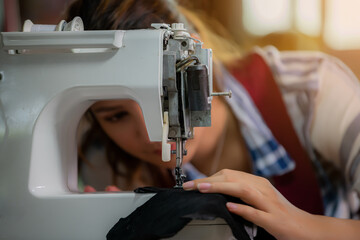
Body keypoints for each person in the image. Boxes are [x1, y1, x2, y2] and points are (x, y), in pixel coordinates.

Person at [65, 0, 360, 239]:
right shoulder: (105, 163)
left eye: (164, 96)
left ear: (197, 65)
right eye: (116, 116)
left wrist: (303, 226)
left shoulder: (312, 90)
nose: (151, 133)